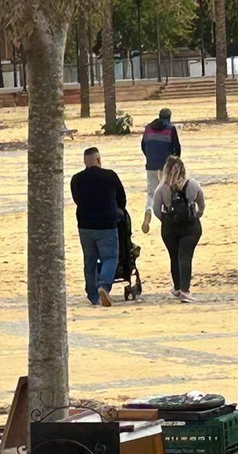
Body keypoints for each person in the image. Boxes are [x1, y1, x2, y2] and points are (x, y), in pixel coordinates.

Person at [69, 146, 126, 307]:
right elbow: (121, 198)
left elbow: (77, 199)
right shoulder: (110, 176)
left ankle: (93, 295)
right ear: (98, 159)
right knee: (110, 258)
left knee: (90, 260)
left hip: (85, 225)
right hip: (107, 224)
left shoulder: (76, 179)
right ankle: (104, 285)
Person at [150, 155, 206, 302]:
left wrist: (166, 219)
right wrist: (196, 216)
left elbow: (156, 210)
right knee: (185, 257)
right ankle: (185, 290)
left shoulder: (161, 188)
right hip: (190, 227)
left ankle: (177, 287)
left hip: (170, 228)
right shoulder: (192, 184)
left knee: (174, 257)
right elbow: (201, 204)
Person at [138, 108, 181, 232]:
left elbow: (143, 146)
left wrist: (150, 157)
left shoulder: (148, 129)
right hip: (166, 166)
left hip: (151, 165)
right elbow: (176, 148)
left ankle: (148, 213)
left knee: (151, 194)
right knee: (168, 191)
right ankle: (168, 220)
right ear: (169, 117)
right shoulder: (170, 129)